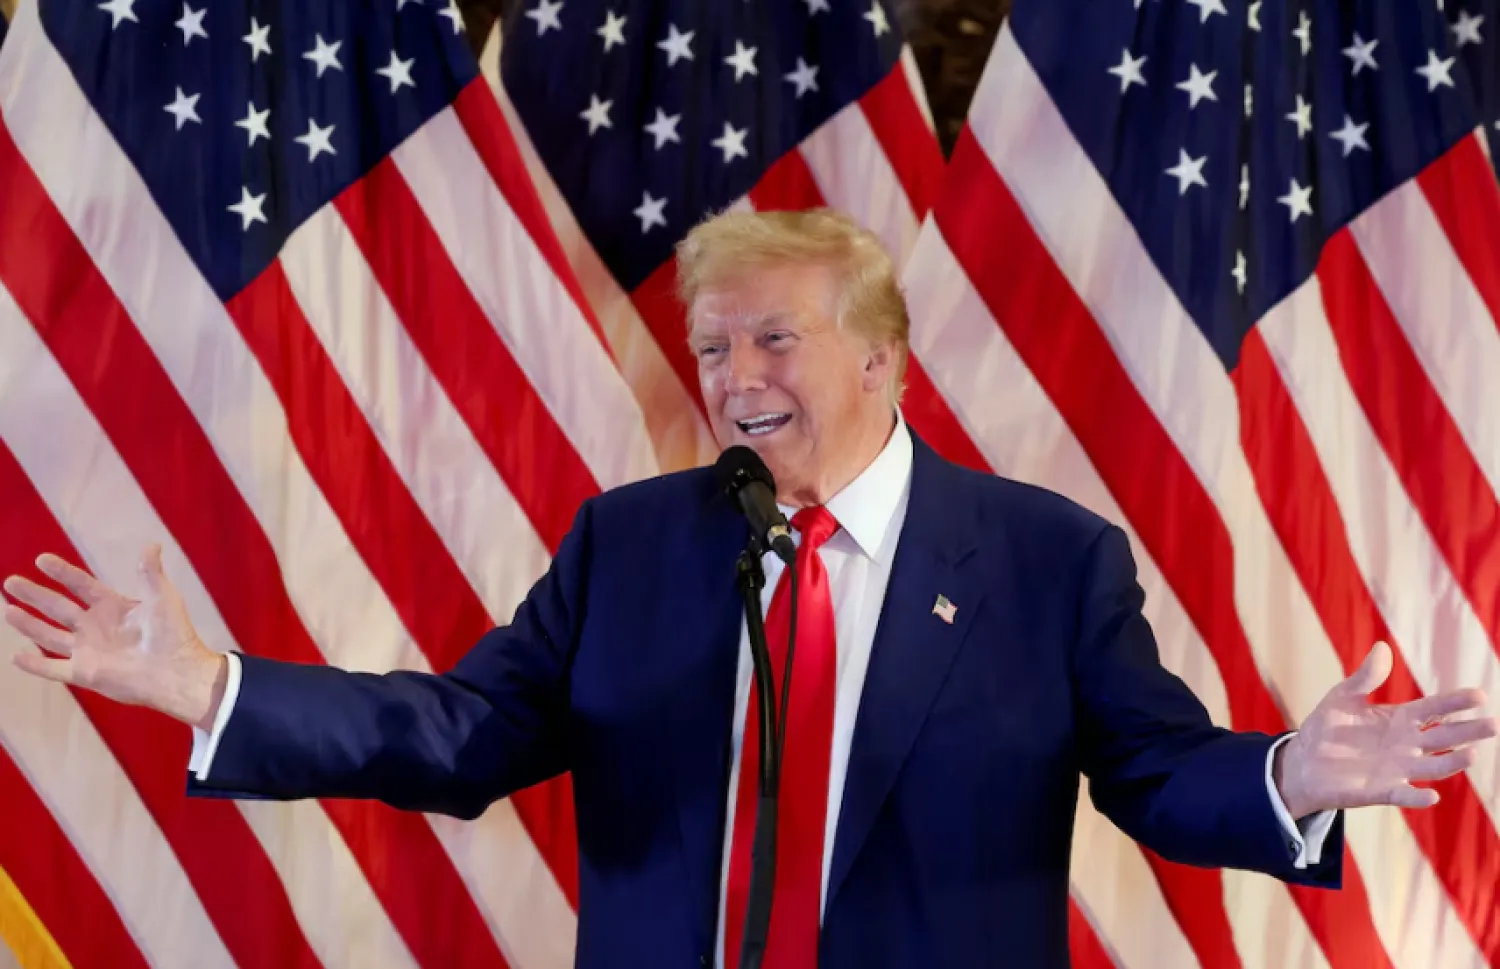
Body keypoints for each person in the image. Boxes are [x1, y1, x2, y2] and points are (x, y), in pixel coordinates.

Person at [3, 209, 1495, 969]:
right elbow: (458, 737)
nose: (735, 379)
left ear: (880, 359)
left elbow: (1157, 775)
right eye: (712, 350)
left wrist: (1292, 768)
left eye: (773, 342)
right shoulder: (633, 542)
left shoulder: (1046, 557)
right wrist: (217, 691)